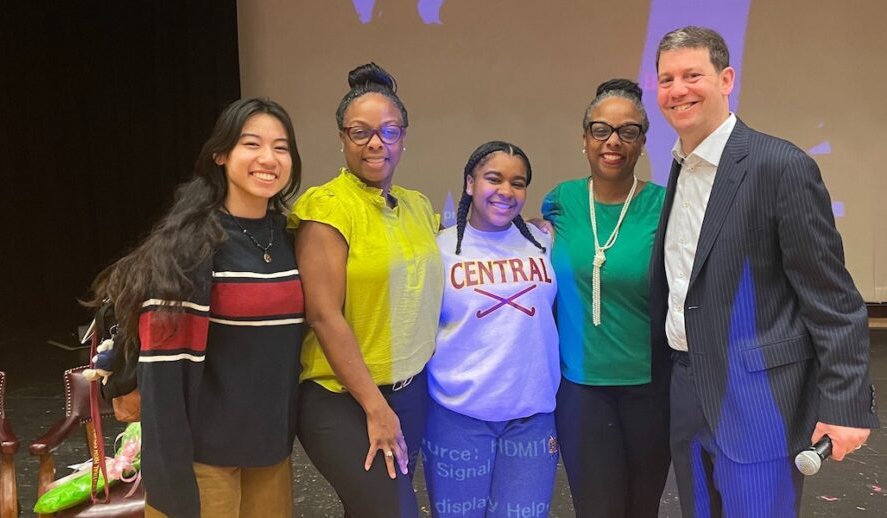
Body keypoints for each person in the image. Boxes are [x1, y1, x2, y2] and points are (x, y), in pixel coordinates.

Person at [649, 26, 879, 517]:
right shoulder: (681, 167)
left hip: (759, 403)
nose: (678, 90)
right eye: (667, 79)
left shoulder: (780, 167)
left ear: (726, 79)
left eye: (692, 75)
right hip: (687, 389)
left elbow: (832, 298)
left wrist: (845, 403)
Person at [89, 97, 305, 518]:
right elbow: (163, 374)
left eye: (281, 148)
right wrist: (170, 477)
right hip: (202, 456)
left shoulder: (288, 236)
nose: (269, 158)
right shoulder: (190, 246)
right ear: (220, 155)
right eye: (252, 144)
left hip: (270, 450)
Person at [290, 63, 441, 517]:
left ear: (403, 138)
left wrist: (529, 227)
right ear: (342, 137)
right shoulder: (327, 207)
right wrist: (375, 408)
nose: (376, 143)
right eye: (361, 132)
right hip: (341, 397)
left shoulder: (417, 205)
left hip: (409, 391)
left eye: (389, 131)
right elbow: (322, 315)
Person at [541, 79, 670, 518]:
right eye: (601, 130)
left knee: (642, 508)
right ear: (585, 138)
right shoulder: (562, 201)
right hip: (581, 389)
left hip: (650, 388)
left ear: (642, 142)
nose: (613, 141)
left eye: (628, 131)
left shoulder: (664, 206)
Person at [423, 141, 559, 518]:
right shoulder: (439, 249)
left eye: (518, 183)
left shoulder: (543, 242)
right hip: (457, 415)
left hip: (531, 417)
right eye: (494, 179)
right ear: (470, 183)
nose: (506, 191)